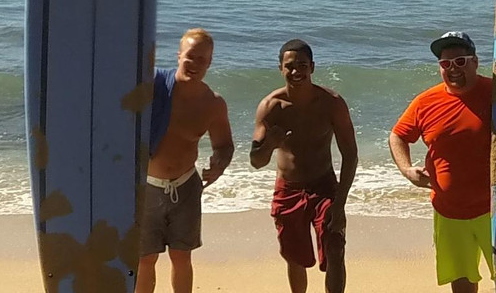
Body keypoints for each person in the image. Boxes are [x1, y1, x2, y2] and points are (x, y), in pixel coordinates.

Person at [388, 31, 494, 293]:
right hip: (448, 211)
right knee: (461, 282)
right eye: (445, 64)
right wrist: (406, 169)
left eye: (460, 61)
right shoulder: (426, 102)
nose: (452, 69)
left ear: (475, 62)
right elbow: (398, 135)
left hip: (495, 210)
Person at [251, 39, 358, 293]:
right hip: (288, 188)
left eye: (302, 65)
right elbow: (256, 161)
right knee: (294, 256)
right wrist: (270, 145)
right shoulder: (271, 107)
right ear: (280, 68)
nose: (297, 71)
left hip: (324, 184)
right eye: (290, 66)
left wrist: (340, 203)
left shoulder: (331, 103)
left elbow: (350, 154)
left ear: (312, 67)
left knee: (335, 246)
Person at [137, 28, 234, 293]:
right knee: (145, 259)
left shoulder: (213, 103)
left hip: (186, 187)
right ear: (179, 55)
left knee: (182, 257)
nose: (195, 64)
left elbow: (224, 145)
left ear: (210, 63)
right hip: (147, 186)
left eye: (202, 59)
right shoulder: (153, 86)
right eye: (190, 56)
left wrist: (219, 165)